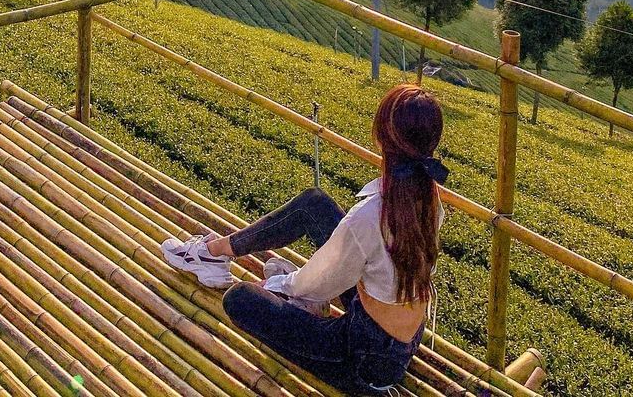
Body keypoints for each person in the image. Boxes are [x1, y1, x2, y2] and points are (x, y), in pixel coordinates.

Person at [161, 84, 448, 395]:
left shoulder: (369, 216)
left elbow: (320, 280)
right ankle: (214, 252)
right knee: (316, 204)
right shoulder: (428, 195)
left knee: (240, 299)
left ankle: (216, 259)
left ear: (380, 137)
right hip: (398, 335)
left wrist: (281, 288)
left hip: (363, 358)